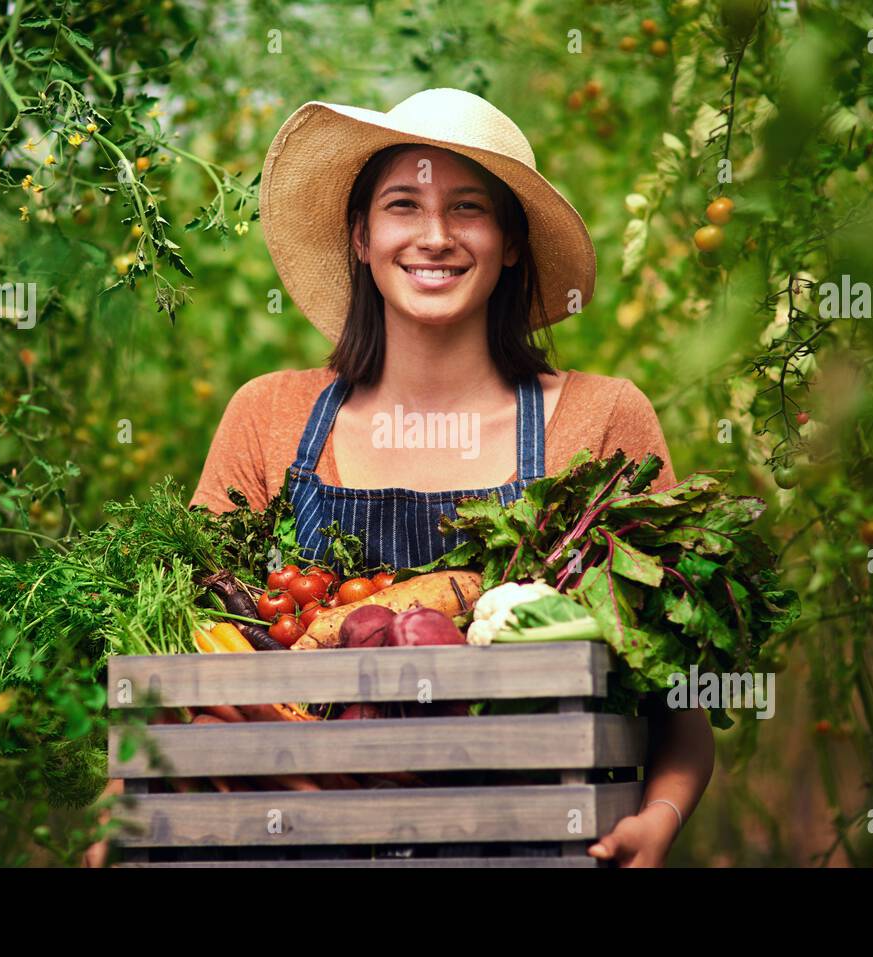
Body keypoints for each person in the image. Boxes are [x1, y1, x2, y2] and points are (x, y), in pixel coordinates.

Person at [189, 88, 714, 867]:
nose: (435, 237)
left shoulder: (602, 423)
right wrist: (127, 803)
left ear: (508, 242)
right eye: (404, 204)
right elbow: (186, 666)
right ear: (361, 236)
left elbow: (684, 690)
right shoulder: (269, 416)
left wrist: (662, 814)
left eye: (468, 208)